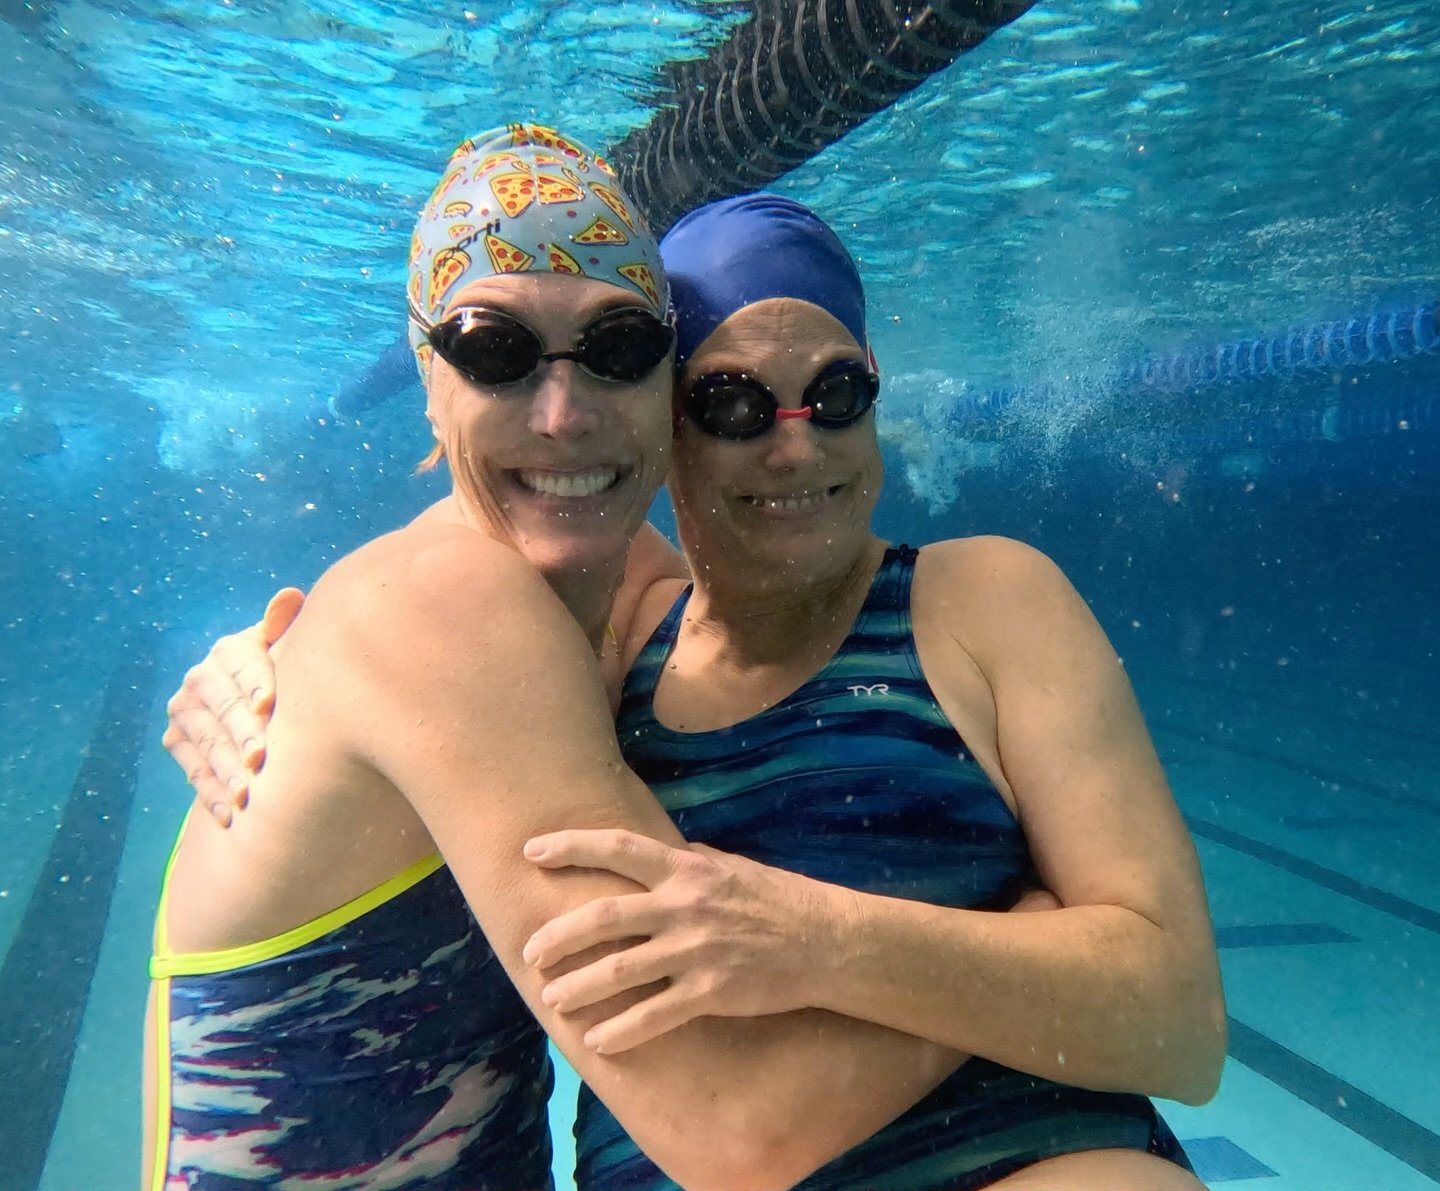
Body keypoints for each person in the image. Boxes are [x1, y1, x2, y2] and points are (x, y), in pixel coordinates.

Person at [163, 186, 1226, 1189]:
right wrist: (266, 659)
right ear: (666, 429)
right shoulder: (611, 638)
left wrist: (834, 942)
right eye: (732, 403)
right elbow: (419, 616)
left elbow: (1178, 1018)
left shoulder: (981, 599)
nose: (795, 443)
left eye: (837, 394)